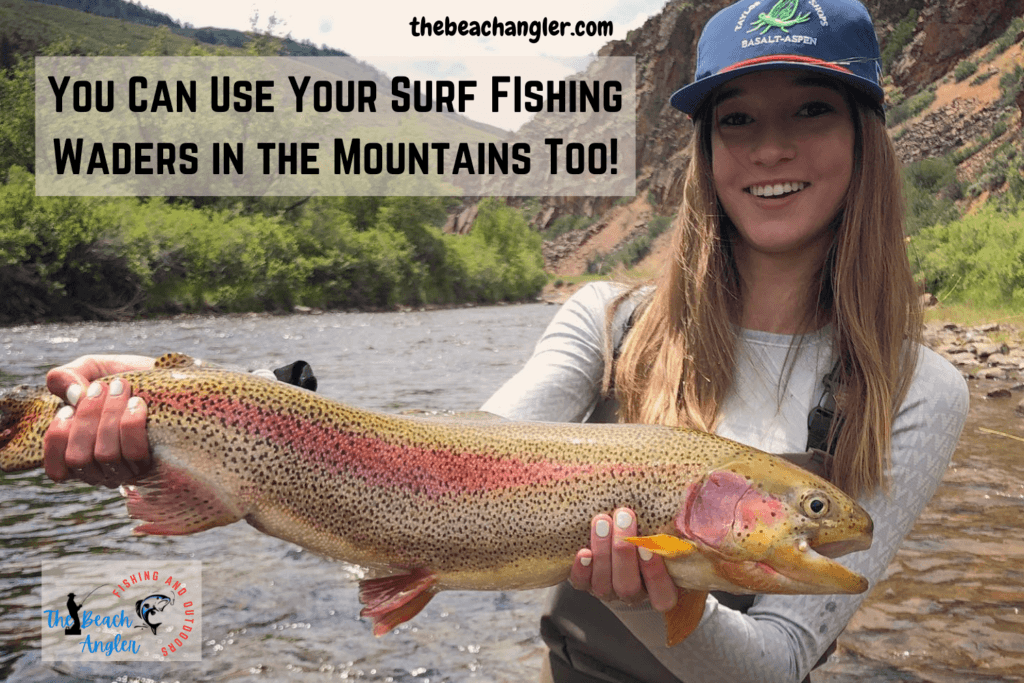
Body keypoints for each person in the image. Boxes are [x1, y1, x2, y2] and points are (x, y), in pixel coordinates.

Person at [43, 0, 969, 681]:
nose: (771, 148)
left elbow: (781, 663)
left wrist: (644, 597)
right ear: (708, 150)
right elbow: (441, 462)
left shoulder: (916, 387)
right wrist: (186, 399)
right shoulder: (612, 321)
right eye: (738, 119)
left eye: (811, 109)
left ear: (865, 138)